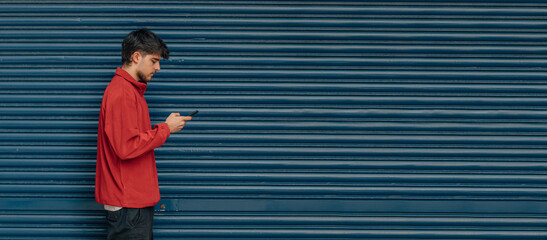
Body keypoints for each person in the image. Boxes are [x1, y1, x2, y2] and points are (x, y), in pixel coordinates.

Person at [95, 28, 190, 240]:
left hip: (132, 204)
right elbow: (126, 146)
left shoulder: (130, 91)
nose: (158, 67)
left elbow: (130, 139)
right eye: (154, 60)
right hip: (129, 206)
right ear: (136, 56)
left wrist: (164, 126)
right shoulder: (122, 93)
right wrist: (166, 129)